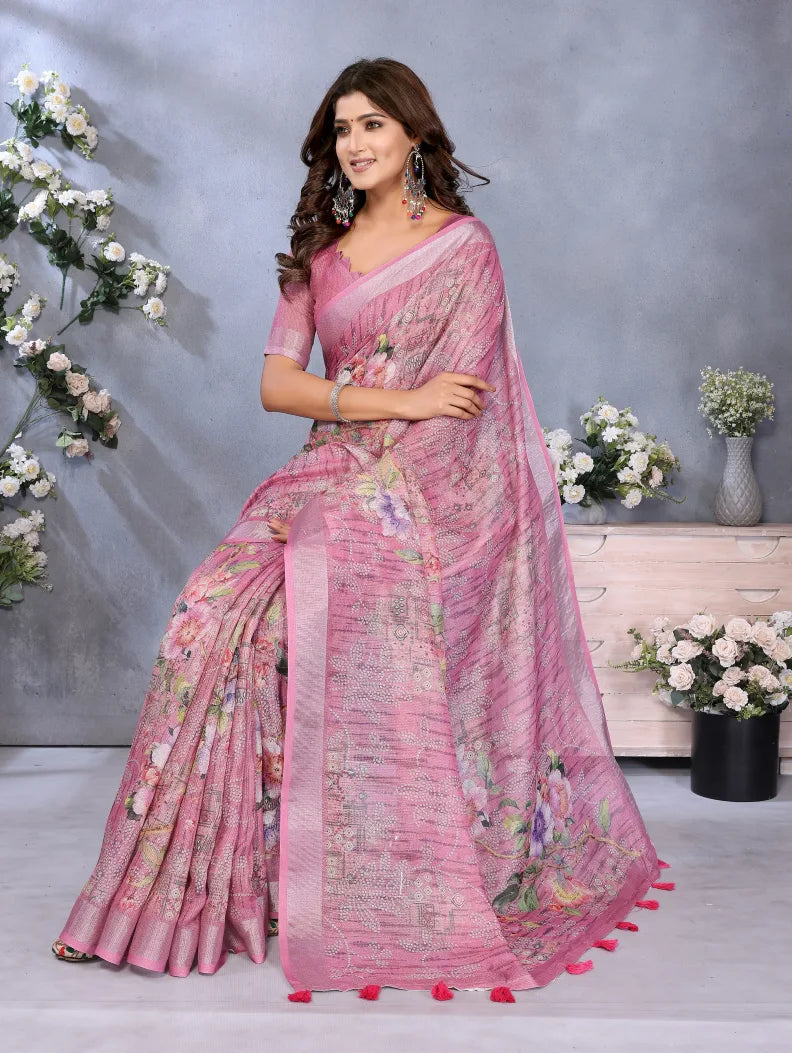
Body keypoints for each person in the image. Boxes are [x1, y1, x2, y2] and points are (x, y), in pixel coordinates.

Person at [52, 57, 663, 996]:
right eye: (344, 129)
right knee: (204, 625)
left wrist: (384, 450)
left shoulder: (465, 248)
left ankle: (342, 881)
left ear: (416, 135)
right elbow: (275, 384)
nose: (358, 143)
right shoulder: (320, 252)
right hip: (321, 476)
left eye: (376, 124)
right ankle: (164, 898)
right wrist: (390, 399)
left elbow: (462, 415)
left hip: (417, 498)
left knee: (299, 618)